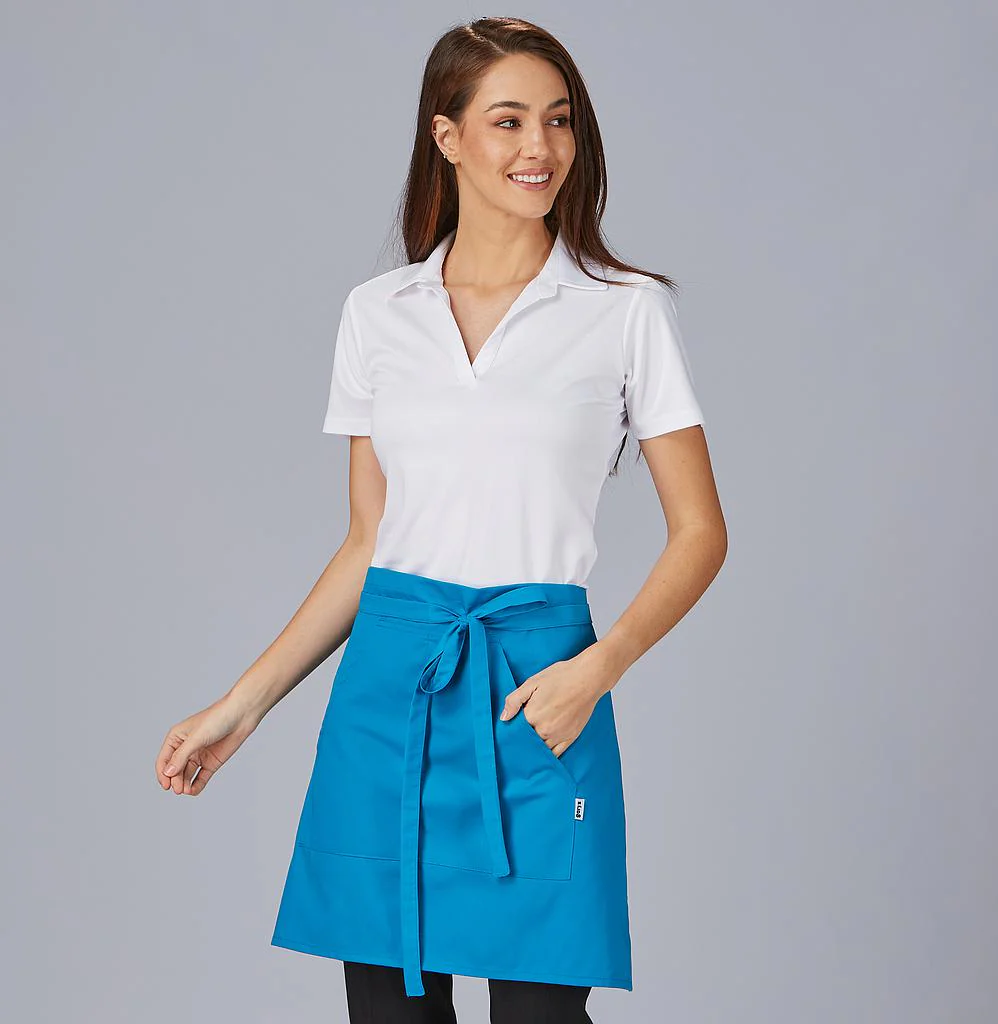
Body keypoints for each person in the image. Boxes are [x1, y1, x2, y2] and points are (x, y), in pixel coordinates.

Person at [155, 16, 727, 1024]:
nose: (540, 146)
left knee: (542, 1013)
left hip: (539, 685)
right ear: (447, 136)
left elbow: (700, 532)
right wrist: (240, 707)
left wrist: (599, 666)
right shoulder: (378, 312)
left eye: (559, 120)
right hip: (390, 690)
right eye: (508, 121)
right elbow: (368, 545)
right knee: (392, 1013)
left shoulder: (625, 309)